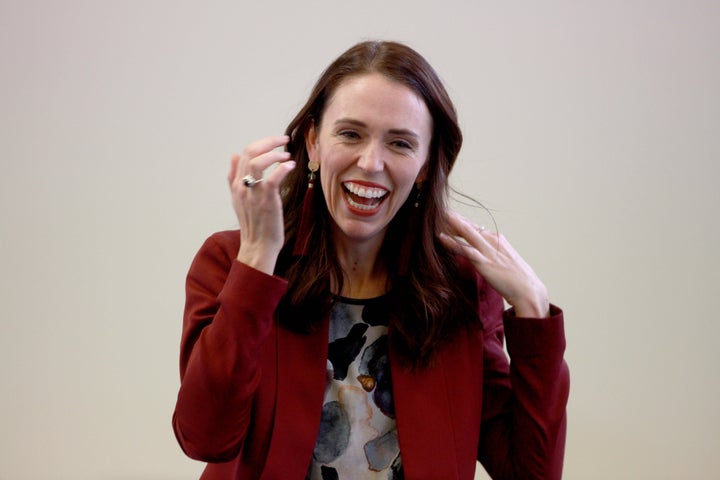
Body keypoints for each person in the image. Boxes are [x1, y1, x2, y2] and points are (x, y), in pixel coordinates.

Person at [172, 40, 569, 480]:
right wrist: (258, 259)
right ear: (313, 142)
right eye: (350, 134)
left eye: (400, 143)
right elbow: (204, 437)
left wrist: (533, 311)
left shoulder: (460, 287)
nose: (370, 162)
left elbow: (531, 473)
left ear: (423, 166)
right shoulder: (233, 262)